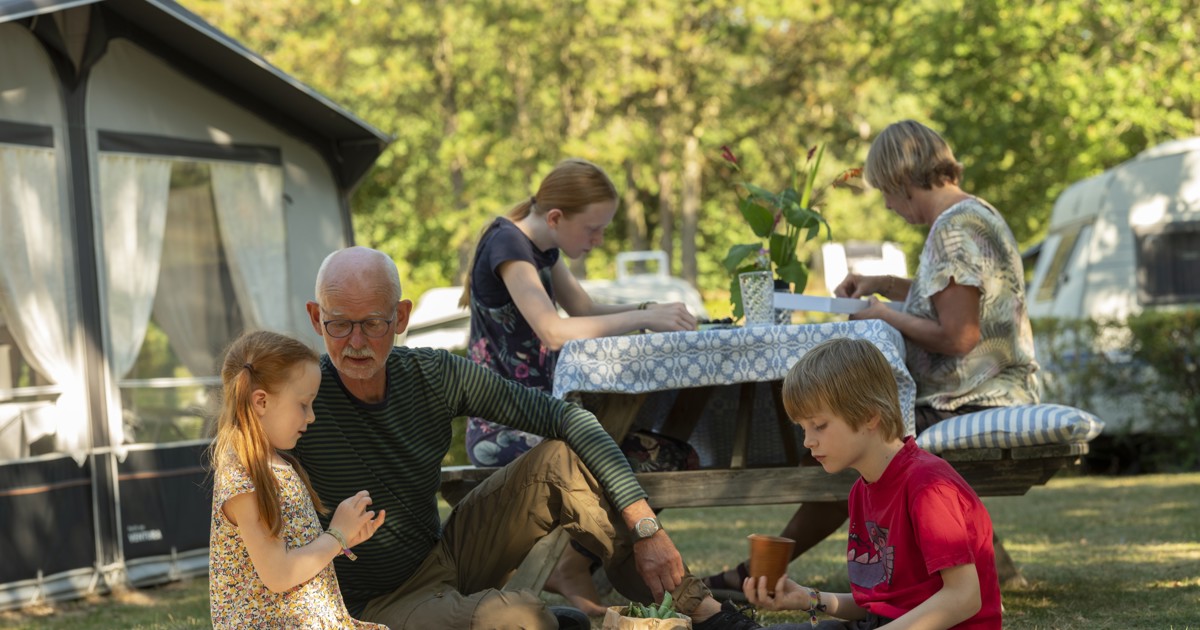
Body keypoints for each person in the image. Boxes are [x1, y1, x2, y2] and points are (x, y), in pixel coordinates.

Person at [292, 246, 763, 630]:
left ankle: (700, 610)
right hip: (371, 607)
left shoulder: (433, 375)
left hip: (444, 557)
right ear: (316, 318)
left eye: (373, 323)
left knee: (558, 459)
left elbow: (570, 419)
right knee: (522, 618)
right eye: (339, 324)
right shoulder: (297, 396)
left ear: (400, 317)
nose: (356, 342)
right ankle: (540, 621)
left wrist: (646, 526)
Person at [703, 119, 1039, 596]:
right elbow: (953, 298)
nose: (886, 205)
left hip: (972, 395)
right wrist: (884, 284)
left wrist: (881, 313)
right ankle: (761, 569)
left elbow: (959, 335)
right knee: (842, 435)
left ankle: (759, 571)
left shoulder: (953, 229)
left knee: (851, 439)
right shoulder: (974, 214)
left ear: (903, 179)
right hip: (992, 386)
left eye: (885, 191)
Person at [459, 157, 697, 614]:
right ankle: (574, 564)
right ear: (555, 217)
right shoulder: (508, 245)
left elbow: (583, 309)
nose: (598, 240)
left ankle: (572, 561)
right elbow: (552, 329)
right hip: (504, 429)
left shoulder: (542, 249)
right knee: (637, 460)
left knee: (672, 457)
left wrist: (650, 310)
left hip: (547, 422)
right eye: (593, 229)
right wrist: (646, 317)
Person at [743, 337, 1001, 629]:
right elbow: (881, 605)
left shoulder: (928, 487)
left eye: (819, 425)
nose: (808, 441)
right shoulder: (861, 491)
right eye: (803, 428)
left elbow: (964, 597)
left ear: (869, 416)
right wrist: (810, 598)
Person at [207, 330, 387, 629]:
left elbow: (294, 550)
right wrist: (336, 535)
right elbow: (279, 575)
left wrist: (343, 538)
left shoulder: (276, 464)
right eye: (304, 404)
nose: (311, 416)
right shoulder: (243, 477)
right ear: (261, 402)